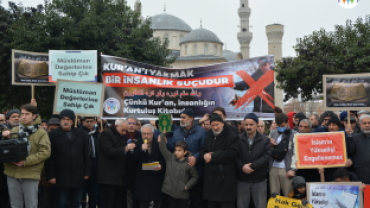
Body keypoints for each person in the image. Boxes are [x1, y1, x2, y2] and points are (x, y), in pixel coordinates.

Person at [2, 104, 51, 208]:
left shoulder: (41, 133)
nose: (23, 116)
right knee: (15, 205)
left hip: (30, 173)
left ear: (34, 116)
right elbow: (4, 150)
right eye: (22, 114)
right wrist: (4, 137)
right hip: (12, 172)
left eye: (27, 114)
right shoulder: (13, 130)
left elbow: (45, 152)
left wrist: (25, 162)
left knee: (31, 205)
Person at [46, 109, 90, 208]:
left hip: (78, 176)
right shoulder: (52, 135)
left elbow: (86, 154)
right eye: (63, 119)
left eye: (69, 119)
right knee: (61, 203)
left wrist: (87, 172)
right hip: (60, 176)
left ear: (73, 121)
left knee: (77, 202)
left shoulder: (82, 134)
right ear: (59, 120)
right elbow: (50, 157)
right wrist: (51, 175)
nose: (65, 121)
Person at [200, 113, 239, 208]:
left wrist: (213, 156)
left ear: (222, 124)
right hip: (211, 181)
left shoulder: (231, 136)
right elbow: (202, 149)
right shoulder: (208, 136)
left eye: (217, 124)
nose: (215, 127)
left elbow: (231, 153)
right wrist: (204, 154)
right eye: (213, 125)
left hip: (225, 180)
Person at [172, 108, 206, 208]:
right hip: (180, 175)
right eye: (180, 117)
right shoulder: (176, 133)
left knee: (196, 201)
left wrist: (195, 157)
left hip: (196, 174)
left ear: (191, 119)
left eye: (184, 117)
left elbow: (204, 150)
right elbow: (173, 150)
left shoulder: (201, 132)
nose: (181, 119)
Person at [236, 113, 272, 208]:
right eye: (246, 124)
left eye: (251, 124)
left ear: (256, 124)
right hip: (242, 180)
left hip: (259, 180)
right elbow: (234, 156)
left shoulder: (265, 140)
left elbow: (266, 157)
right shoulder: (238, 139)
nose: (248, 127)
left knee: (260, 205)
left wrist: (253, 166)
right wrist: (241, 166)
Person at [98, 119, 135, 208]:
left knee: (117, 202)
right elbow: (108, 151)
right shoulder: (106, 134)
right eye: (123, 130)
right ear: (117, 126)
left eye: (125, 131)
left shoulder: (120, 136)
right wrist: (125, 149)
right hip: (108, 177)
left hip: (119, 177)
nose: (124, 133)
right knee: (108, 203)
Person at [158, 134, 198, 208]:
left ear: (185, 152)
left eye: (179, 150)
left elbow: (195, 176)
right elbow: (162, 147)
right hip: (170, 193)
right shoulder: (170, 158)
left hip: (182, 194)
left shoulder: (189, 163)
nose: (177, 152)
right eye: (176, 150)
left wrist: (187, 186)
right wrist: (163, 134)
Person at [131, 124, 164, 208]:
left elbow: (165, 158)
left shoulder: (159, 142)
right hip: (142, 180)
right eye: (143, 133)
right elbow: (131, 160)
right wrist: (140, 150)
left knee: (157, 203)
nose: (146, 136)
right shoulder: (137, 143)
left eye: (148, 133)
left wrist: (161, 165)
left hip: (156, 179)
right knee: (143, 203)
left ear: (153, 134)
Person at [269, 113, 297, 197]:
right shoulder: (272, 133)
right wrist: (269, 142)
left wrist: (293, 169)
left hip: (287, 169)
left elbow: (297, 154)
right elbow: (267, 151)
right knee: (274, 197)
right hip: (273, 168)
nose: (281, 128)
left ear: (288, 122)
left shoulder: (294, 134)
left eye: (283, 125)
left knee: (288, 197)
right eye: (279, 126)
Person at [39, 119, 60, 208]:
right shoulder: (42, 141)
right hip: (45, 181)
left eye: (56, 129)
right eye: (51, 129)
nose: (54, 132)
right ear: (47, 129)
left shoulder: (65, 141)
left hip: (60, 181)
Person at [81, 117, 100, 208]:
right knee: (82, 193)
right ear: (83, 122)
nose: (89, 123)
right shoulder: (79, 133)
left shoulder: (98, 134)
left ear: (95, 122)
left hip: (95, 166)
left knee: (93, 193)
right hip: (83, 166)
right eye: (87, 121)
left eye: (91, 121)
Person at [126, 115, 142, 208]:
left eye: (133, 123)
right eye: (129, 123)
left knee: (136, 195)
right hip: (125, 171)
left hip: (137, 170)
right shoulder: (122, 135)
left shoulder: (141, 136)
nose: (131, 125)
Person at [349, 114, 370, 185]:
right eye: (364, 123)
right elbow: (350, 152)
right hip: (359, 177)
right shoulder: (355, 137)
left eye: (369, 123)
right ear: (360, 125)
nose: (367, 125)